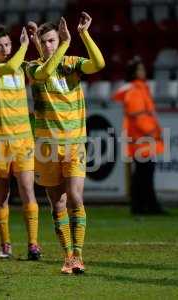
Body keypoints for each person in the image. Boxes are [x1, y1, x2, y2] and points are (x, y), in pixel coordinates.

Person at [26, 12, 105, 274]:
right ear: (38, 43)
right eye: (44, 41)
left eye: (52, 40)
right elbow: (47, 71)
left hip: (74, 144)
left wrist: (84, 35)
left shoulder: (71, 63)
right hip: (46, 148)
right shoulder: (32, 68)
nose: (48, 45)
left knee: (75, 197)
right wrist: (64, 44)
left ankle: (78, 256)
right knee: (57, 204)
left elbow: (99, 63)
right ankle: (68, 255)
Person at [0, 26, 41, 260]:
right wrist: (24, 46)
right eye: (0, 46)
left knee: (27, 190)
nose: (5, 49)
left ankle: (33, 244)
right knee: (2, 195)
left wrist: (34, 41)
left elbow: (41, 68)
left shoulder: (20, 68)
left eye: (8, 45)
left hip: (23, 139)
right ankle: (5, 245)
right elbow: (11, 66)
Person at [112, 56, 165, 215]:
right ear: (134, 72)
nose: (143, 71)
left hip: (141, 139)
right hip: (142, 139)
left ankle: (143, 205)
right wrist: (153, 131)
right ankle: (144, 206)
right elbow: (138, 115)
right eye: (140, 69)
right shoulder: (135, 91)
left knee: (142, 173)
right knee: (144, 174)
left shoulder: (138, 89)